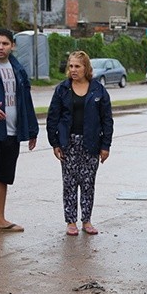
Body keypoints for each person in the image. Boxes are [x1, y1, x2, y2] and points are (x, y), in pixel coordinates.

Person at [0, 28, 39, 239]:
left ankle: (0, 218)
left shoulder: (18, 69)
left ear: (12, 45)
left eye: (5, 43)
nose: (0, 47)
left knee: (4, 176)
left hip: (12, 132)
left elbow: (26, 101)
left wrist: (32, 129)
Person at [46, 51, 114, 236]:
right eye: (71, 66)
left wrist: (105, 146)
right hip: (69, 142)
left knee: (87, 183)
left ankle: (87, 220)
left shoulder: (98, 90)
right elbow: (53, 117)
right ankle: (70, 221)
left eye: (78, 66)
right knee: (69, 183)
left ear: (86, 68)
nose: (74, 70)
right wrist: (55, 143)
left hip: (91, 143)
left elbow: (107, 119)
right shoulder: (62, 89)